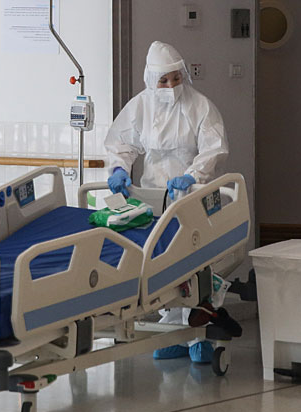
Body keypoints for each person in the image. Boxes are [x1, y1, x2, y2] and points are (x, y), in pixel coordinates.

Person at [104, 41, 229, 363]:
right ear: (151, 79)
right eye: (163, 80)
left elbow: (214, 149)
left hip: (192, 192)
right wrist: (119, 169)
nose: (171, 86)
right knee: (162, 262)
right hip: (154, 194)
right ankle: (172, 331)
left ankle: (199, 337)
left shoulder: (200, 106)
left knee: (195, 263)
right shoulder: (140, 107)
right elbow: (120, 143)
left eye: (176, 78)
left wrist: (192, 175)